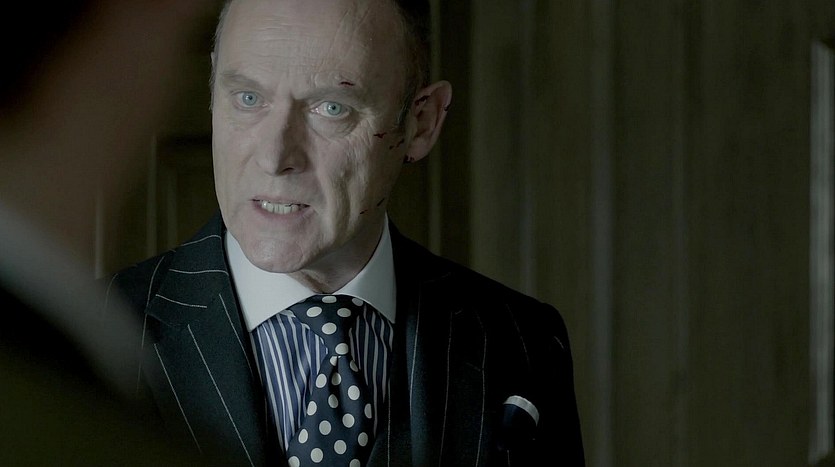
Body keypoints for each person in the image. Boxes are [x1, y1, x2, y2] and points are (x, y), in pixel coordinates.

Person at [104, 0, 585, 465]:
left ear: (421, 123)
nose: (274, 157)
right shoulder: (98, 333)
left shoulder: (523, 342)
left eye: (331, 108)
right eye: (248, 98)